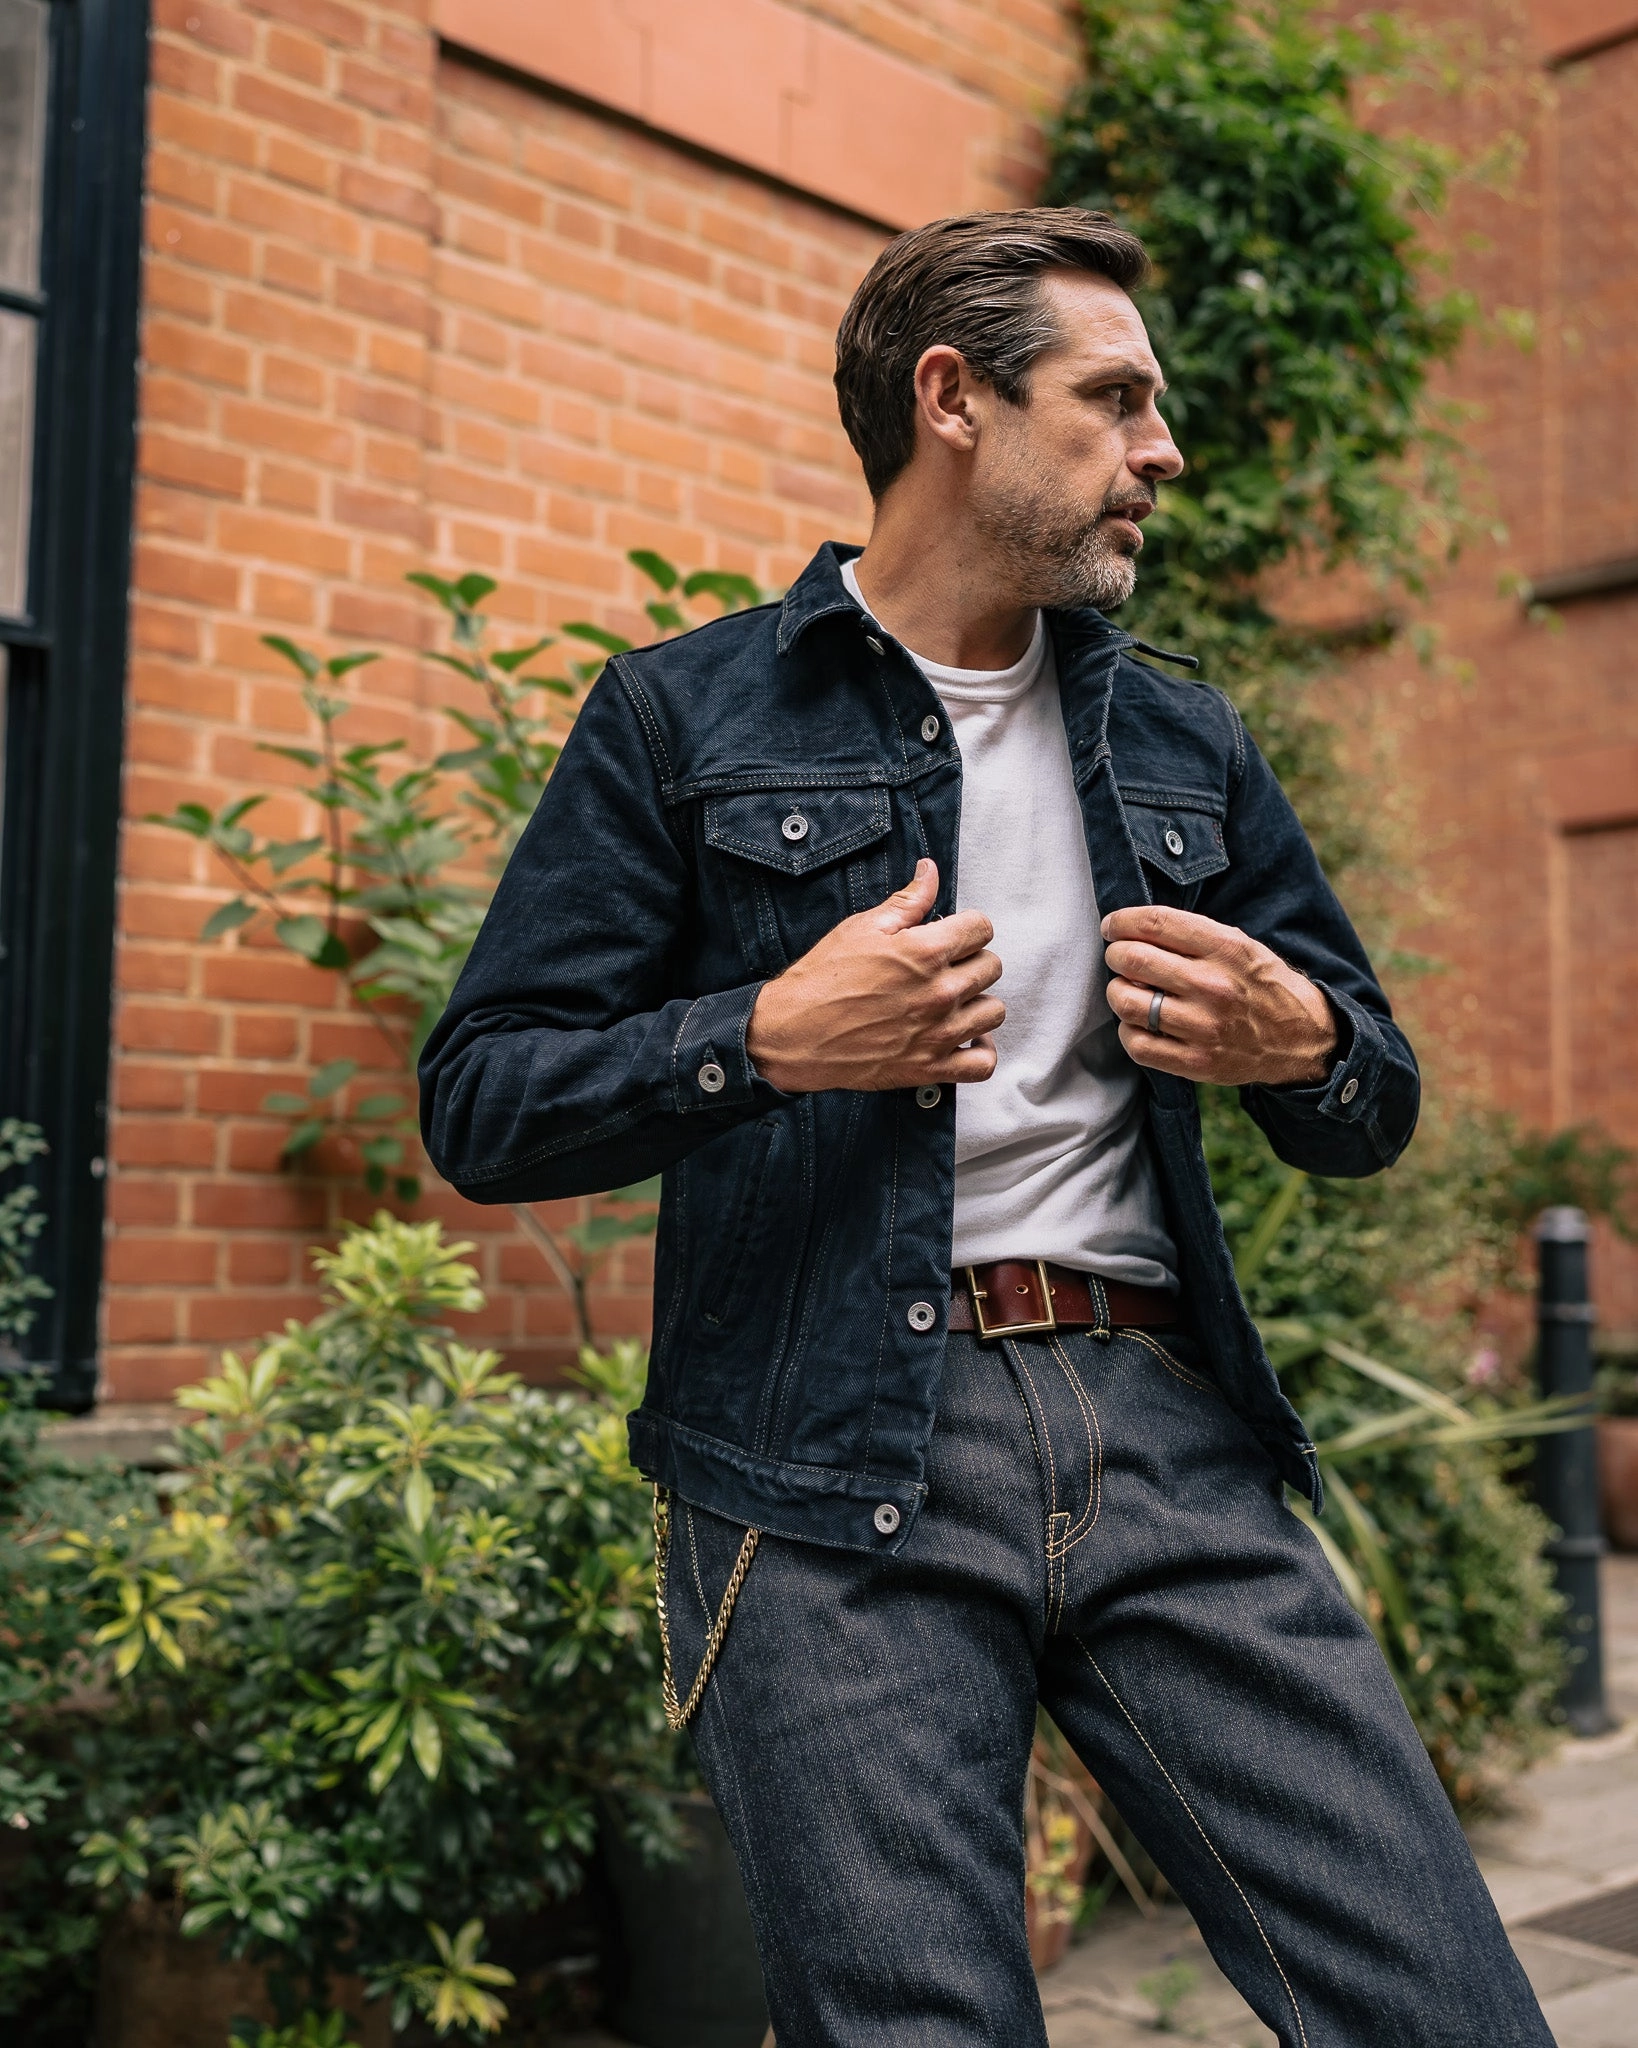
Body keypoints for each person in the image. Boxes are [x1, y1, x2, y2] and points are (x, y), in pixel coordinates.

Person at [420, 209, 1552, 2047]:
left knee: (1443, 2007)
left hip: (1159, 1429)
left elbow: (1369, 1104)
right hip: (819, 1458)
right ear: (953, 399)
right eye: (1112, 401)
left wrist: (1296, 1037)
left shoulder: (1187, 742)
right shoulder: (680, 716)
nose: (1159, 449)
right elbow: (481, 1098)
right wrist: (765, 1038)